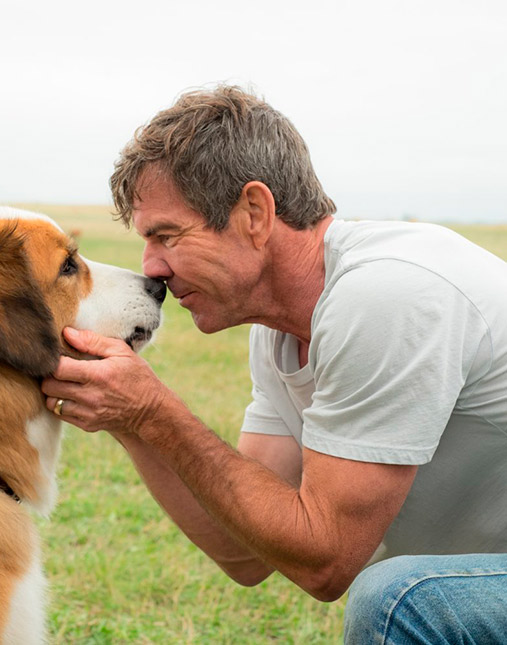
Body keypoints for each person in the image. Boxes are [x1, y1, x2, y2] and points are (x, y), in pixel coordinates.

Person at [42, 86, 507, 643]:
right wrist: (131, 422)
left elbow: (325, 560)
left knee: (401, 601)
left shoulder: (386, 294)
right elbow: (244, 552)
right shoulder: (281, 333)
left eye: (166, 236)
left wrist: (153, 412)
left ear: (254, 213)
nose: (152, 268)